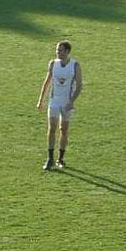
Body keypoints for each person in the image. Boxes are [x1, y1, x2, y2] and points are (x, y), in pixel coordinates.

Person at [36, 40, 83, 171]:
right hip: (54, 101)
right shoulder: (53, 64)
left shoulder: (75, 66)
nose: (58, 53)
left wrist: (71, 101)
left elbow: (79, 86)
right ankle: (49, 158)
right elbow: (47, 82)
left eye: (60, 50)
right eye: (57, 50)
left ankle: (60, 158)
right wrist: (41, 100)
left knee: (64, 129)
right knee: (52, 128)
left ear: (67, 52)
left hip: (67, 102)